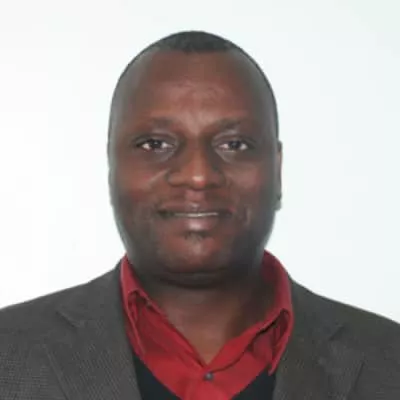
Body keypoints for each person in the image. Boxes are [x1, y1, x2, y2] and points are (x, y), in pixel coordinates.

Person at [1, 30, 399, 400]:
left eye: (235, 144)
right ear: (112, 166)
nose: (198, 175)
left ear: (277, 170)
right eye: (155, 144)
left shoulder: (389, 361)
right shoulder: (9, 354)